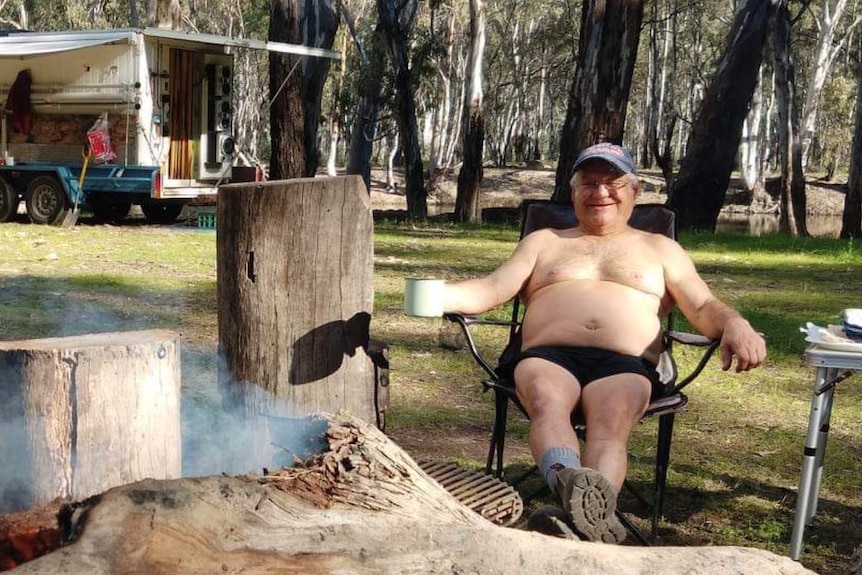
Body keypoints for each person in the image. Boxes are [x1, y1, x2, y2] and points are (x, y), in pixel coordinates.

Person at [441, 142, 766, 543]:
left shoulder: (661, 249)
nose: (600, 193)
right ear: (573, 191)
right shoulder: (544, 241)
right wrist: (428, 295)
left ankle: (582, 509)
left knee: (610, 425)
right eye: (588, 183)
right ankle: (582, 503)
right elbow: (491, 289)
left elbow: (702, 304)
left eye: (612, 182)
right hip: (548, 356)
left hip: (626, 363)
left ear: (634, 191)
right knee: (546, 400)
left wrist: (735, 324)